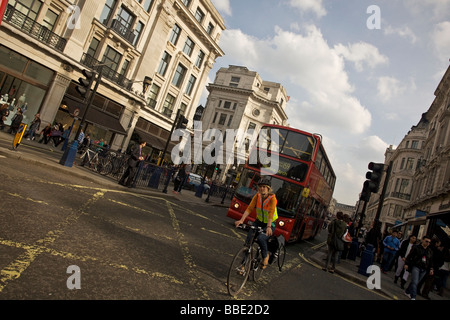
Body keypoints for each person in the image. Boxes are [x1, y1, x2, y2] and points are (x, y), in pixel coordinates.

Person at [235, 178, 278, 269]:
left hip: (270, 223)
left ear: (268, 188)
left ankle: (265, 256)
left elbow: (271, 212)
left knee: (261, 238)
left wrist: (269, 226)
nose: (262, 189)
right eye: (260, 187)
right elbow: (250, 208)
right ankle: (243, 265)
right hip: (259, 221)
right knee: (248, 241)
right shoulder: (257, 196)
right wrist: (241, 220)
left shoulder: (272, 199)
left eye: (264, 187)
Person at [404, 235, 434, 300]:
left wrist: (431, 269)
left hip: (424, 268)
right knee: (415, 281)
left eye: (429, 242)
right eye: (426, 241)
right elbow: (410, 256)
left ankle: (407, 291)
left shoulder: (429, 251)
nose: (428, 243)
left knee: (416, 282)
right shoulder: (416, 247)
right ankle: (413, 296)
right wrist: (407, 263)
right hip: (416, 266)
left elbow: (430, 261)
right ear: (422, 240)